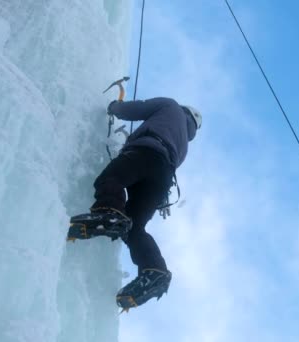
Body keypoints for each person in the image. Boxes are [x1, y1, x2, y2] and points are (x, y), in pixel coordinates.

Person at [70, 97, 201, 310]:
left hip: (146, 153)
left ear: (185, 110)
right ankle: (154, 270)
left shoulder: (171, 106)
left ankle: (109, 213)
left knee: (111, 180)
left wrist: (115, 107)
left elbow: (139, 109)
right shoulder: (184, 145)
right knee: (135, 227)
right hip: (162, 178)